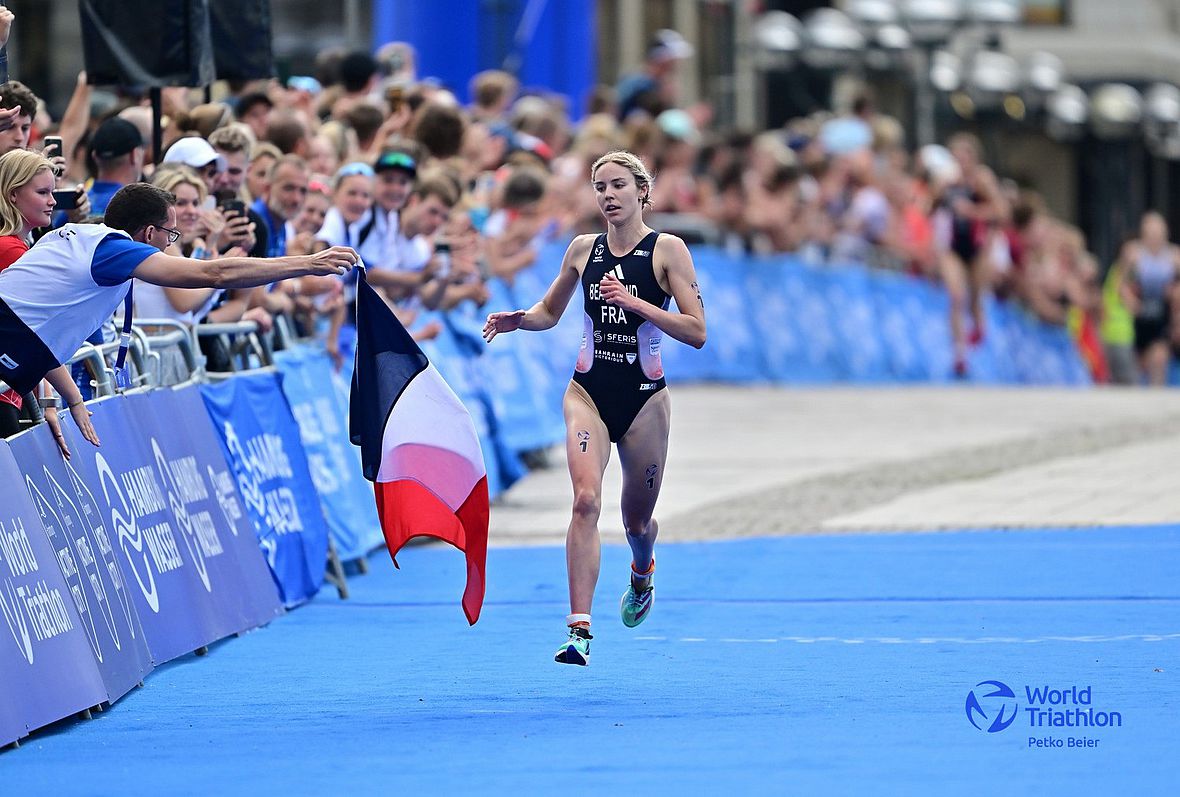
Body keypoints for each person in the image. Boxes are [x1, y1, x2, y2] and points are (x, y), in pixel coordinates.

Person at [482, 151, 706, 666]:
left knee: (636, 522)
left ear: (642, 192)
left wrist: (638, 304)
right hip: (587, 392)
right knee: (585, 500)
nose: (607, 195)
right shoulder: (584, 249)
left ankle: (642, 571)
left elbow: (696, 332)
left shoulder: (667, 250)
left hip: (645, 401)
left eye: (618, 185)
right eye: (599, 186)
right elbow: (550, 311)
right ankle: (579, 630)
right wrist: (521, 319)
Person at [0, 182, 357, 448]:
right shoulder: (113, 250)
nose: (171, 243)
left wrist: (72, 399)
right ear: (150, 232)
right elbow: (212, 274)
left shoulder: (77, 239)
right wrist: (308, 264)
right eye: (171, 234)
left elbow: (41, 330)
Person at [0, 149, 70, 452]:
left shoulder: (18, 247)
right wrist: (70, 399)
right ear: (13, 195)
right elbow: (33, 336)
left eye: (52, 192)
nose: (53, 201)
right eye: (43, 192)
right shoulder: (9, 252)